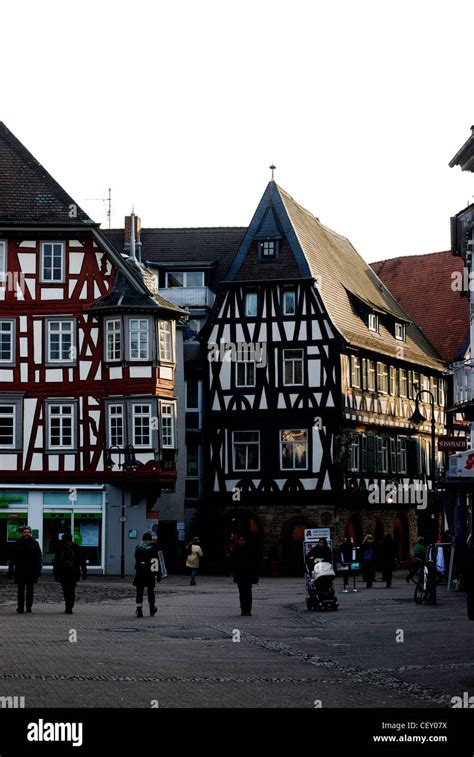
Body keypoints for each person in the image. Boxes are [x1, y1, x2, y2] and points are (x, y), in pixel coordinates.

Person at [8, 526, 42, 614]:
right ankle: (20, 608)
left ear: (30, 533)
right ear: (22, 533)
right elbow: (13, 558)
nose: (26, 534)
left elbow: (39, 557)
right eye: (25, 532)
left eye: (28, 532)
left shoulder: (35, 543)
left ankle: (29, 607)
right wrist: (10, 569)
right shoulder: (17, 543)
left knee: (30, 590)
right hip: (20, 570)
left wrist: (39, 569)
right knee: (20, 590)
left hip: (32, 570)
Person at [52, 533, 87, 614]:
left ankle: (69, 607)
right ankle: (68, 606)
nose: (67, 543)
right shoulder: (60, 549)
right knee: (65, 590)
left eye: (68, 541)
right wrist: (55, 573)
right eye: (65, 541)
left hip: (73, 573)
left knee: (71, 590)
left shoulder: (76, 548)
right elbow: (56, 562)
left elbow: (82, 561)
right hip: (63, 573)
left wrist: (84, 571)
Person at [230, 535, 259, 616]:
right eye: (240, 540)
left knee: (248, 592)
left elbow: (255, 563)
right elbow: (233, 562)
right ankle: (243, 609)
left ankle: (248, 610)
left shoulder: (250, 549)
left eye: (243, 540)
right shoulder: (236, 549)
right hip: (240, 575)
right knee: (242, 593)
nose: (241, 541)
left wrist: (255, 574)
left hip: (248, 574)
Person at [133, 532, 160, 617]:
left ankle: (139, 610)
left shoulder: (138, 548)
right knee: (151, 591)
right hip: (150, 574)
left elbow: (136, 560)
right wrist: (158, 574)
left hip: (140, 574)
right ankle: (152, 608)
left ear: (143, 539)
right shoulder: (154, 548)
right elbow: (156, 562)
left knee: (139, 592)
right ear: (150, 539)